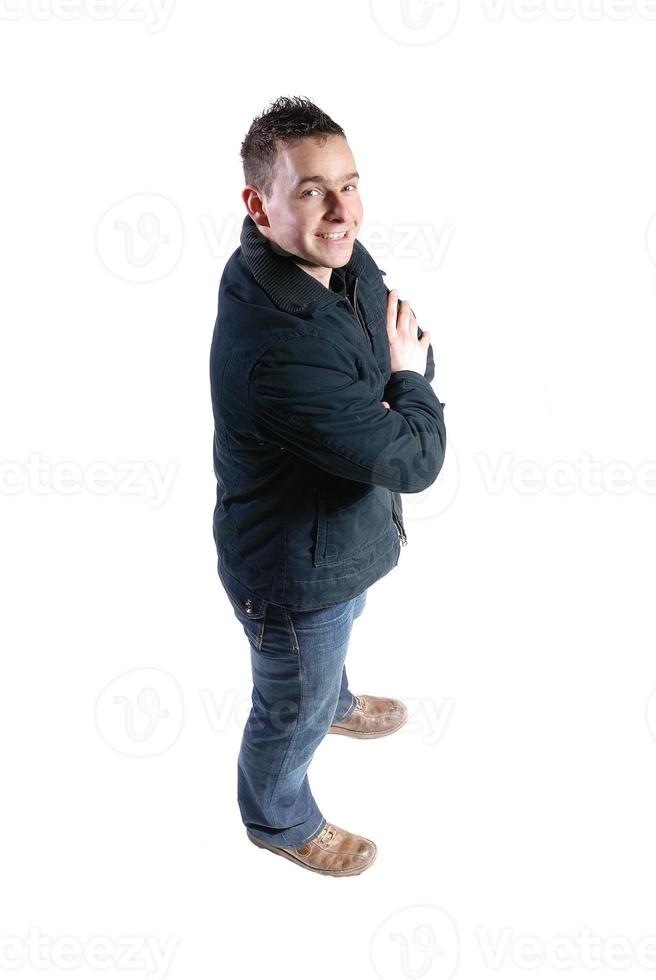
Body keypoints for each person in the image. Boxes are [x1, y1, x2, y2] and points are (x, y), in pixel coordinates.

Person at [209, 95, 447, 877]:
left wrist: (396, 384)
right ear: (259, 202)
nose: (343, 211)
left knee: (328, 652)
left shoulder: (333, 255)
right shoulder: (278, 347)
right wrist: (400, 382)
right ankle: (278, 819)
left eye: (349, 183)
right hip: (295, 574)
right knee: (288, 707)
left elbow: (410, 340)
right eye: (312, 189)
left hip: (337, 544)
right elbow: (414, 457)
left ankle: (333, 702)